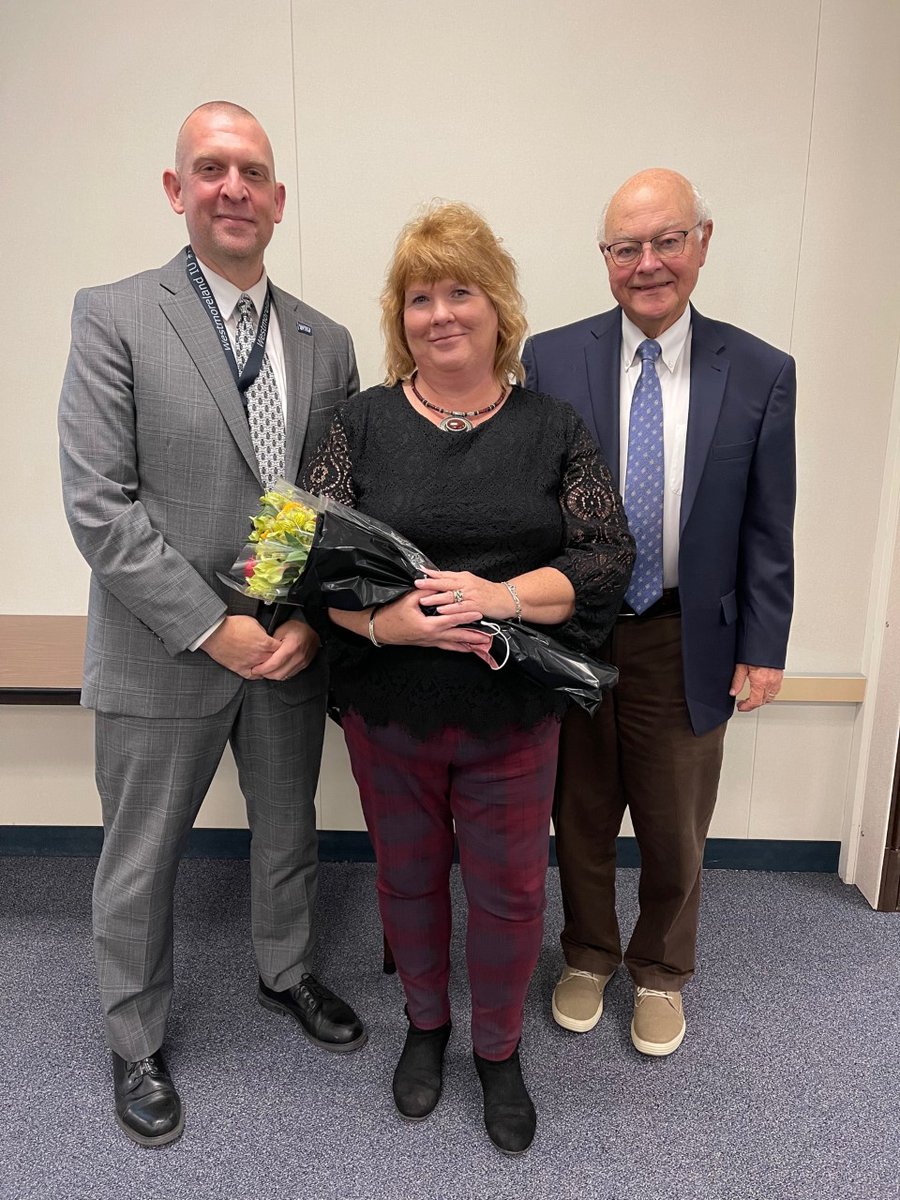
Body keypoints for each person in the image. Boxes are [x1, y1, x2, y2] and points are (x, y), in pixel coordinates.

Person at [58, 101, 364, 1148]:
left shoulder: (327, 339)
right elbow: (102, 506)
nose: (233, 186)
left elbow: (322, 500)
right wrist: (211, 626)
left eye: (253, 172)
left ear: (278, 201)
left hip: (285, 647)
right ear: (176, 190)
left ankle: (286, 972)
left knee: (289, 830)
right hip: (163, 647)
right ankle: (134, 1037)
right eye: (211, 167)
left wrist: (301, 620)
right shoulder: (113, 316)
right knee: (140, 856)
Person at [302, 201, 634, 1155]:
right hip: (390, 711)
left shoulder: (553, 426)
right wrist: (387, 621)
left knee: (508, 893)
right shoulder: (356, 424)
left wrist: (502, 596)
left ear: (499, 307)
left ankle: (496, 1050)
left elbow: (606, 557)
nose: (440, 313)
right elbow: (305, 566)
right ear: (398, 316)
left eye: (461, 291)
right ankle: (426, 1026)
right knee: (406, 883)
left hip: (512, 716)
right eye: (419, 297)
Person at [522, 168, 796, 1056]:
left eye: (667, 240)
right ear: (604, 258)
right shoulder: (551, 359)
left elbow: (768, 524)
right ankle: (590, 954)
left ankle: (664, 970)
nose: (648, 263)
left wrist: (764, 644)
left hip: (690, 637)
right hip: (578, 629)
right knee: (583, 812)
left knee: (676, 826)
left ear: (702, 244)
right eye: (626, 247)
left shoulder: (759, 372)